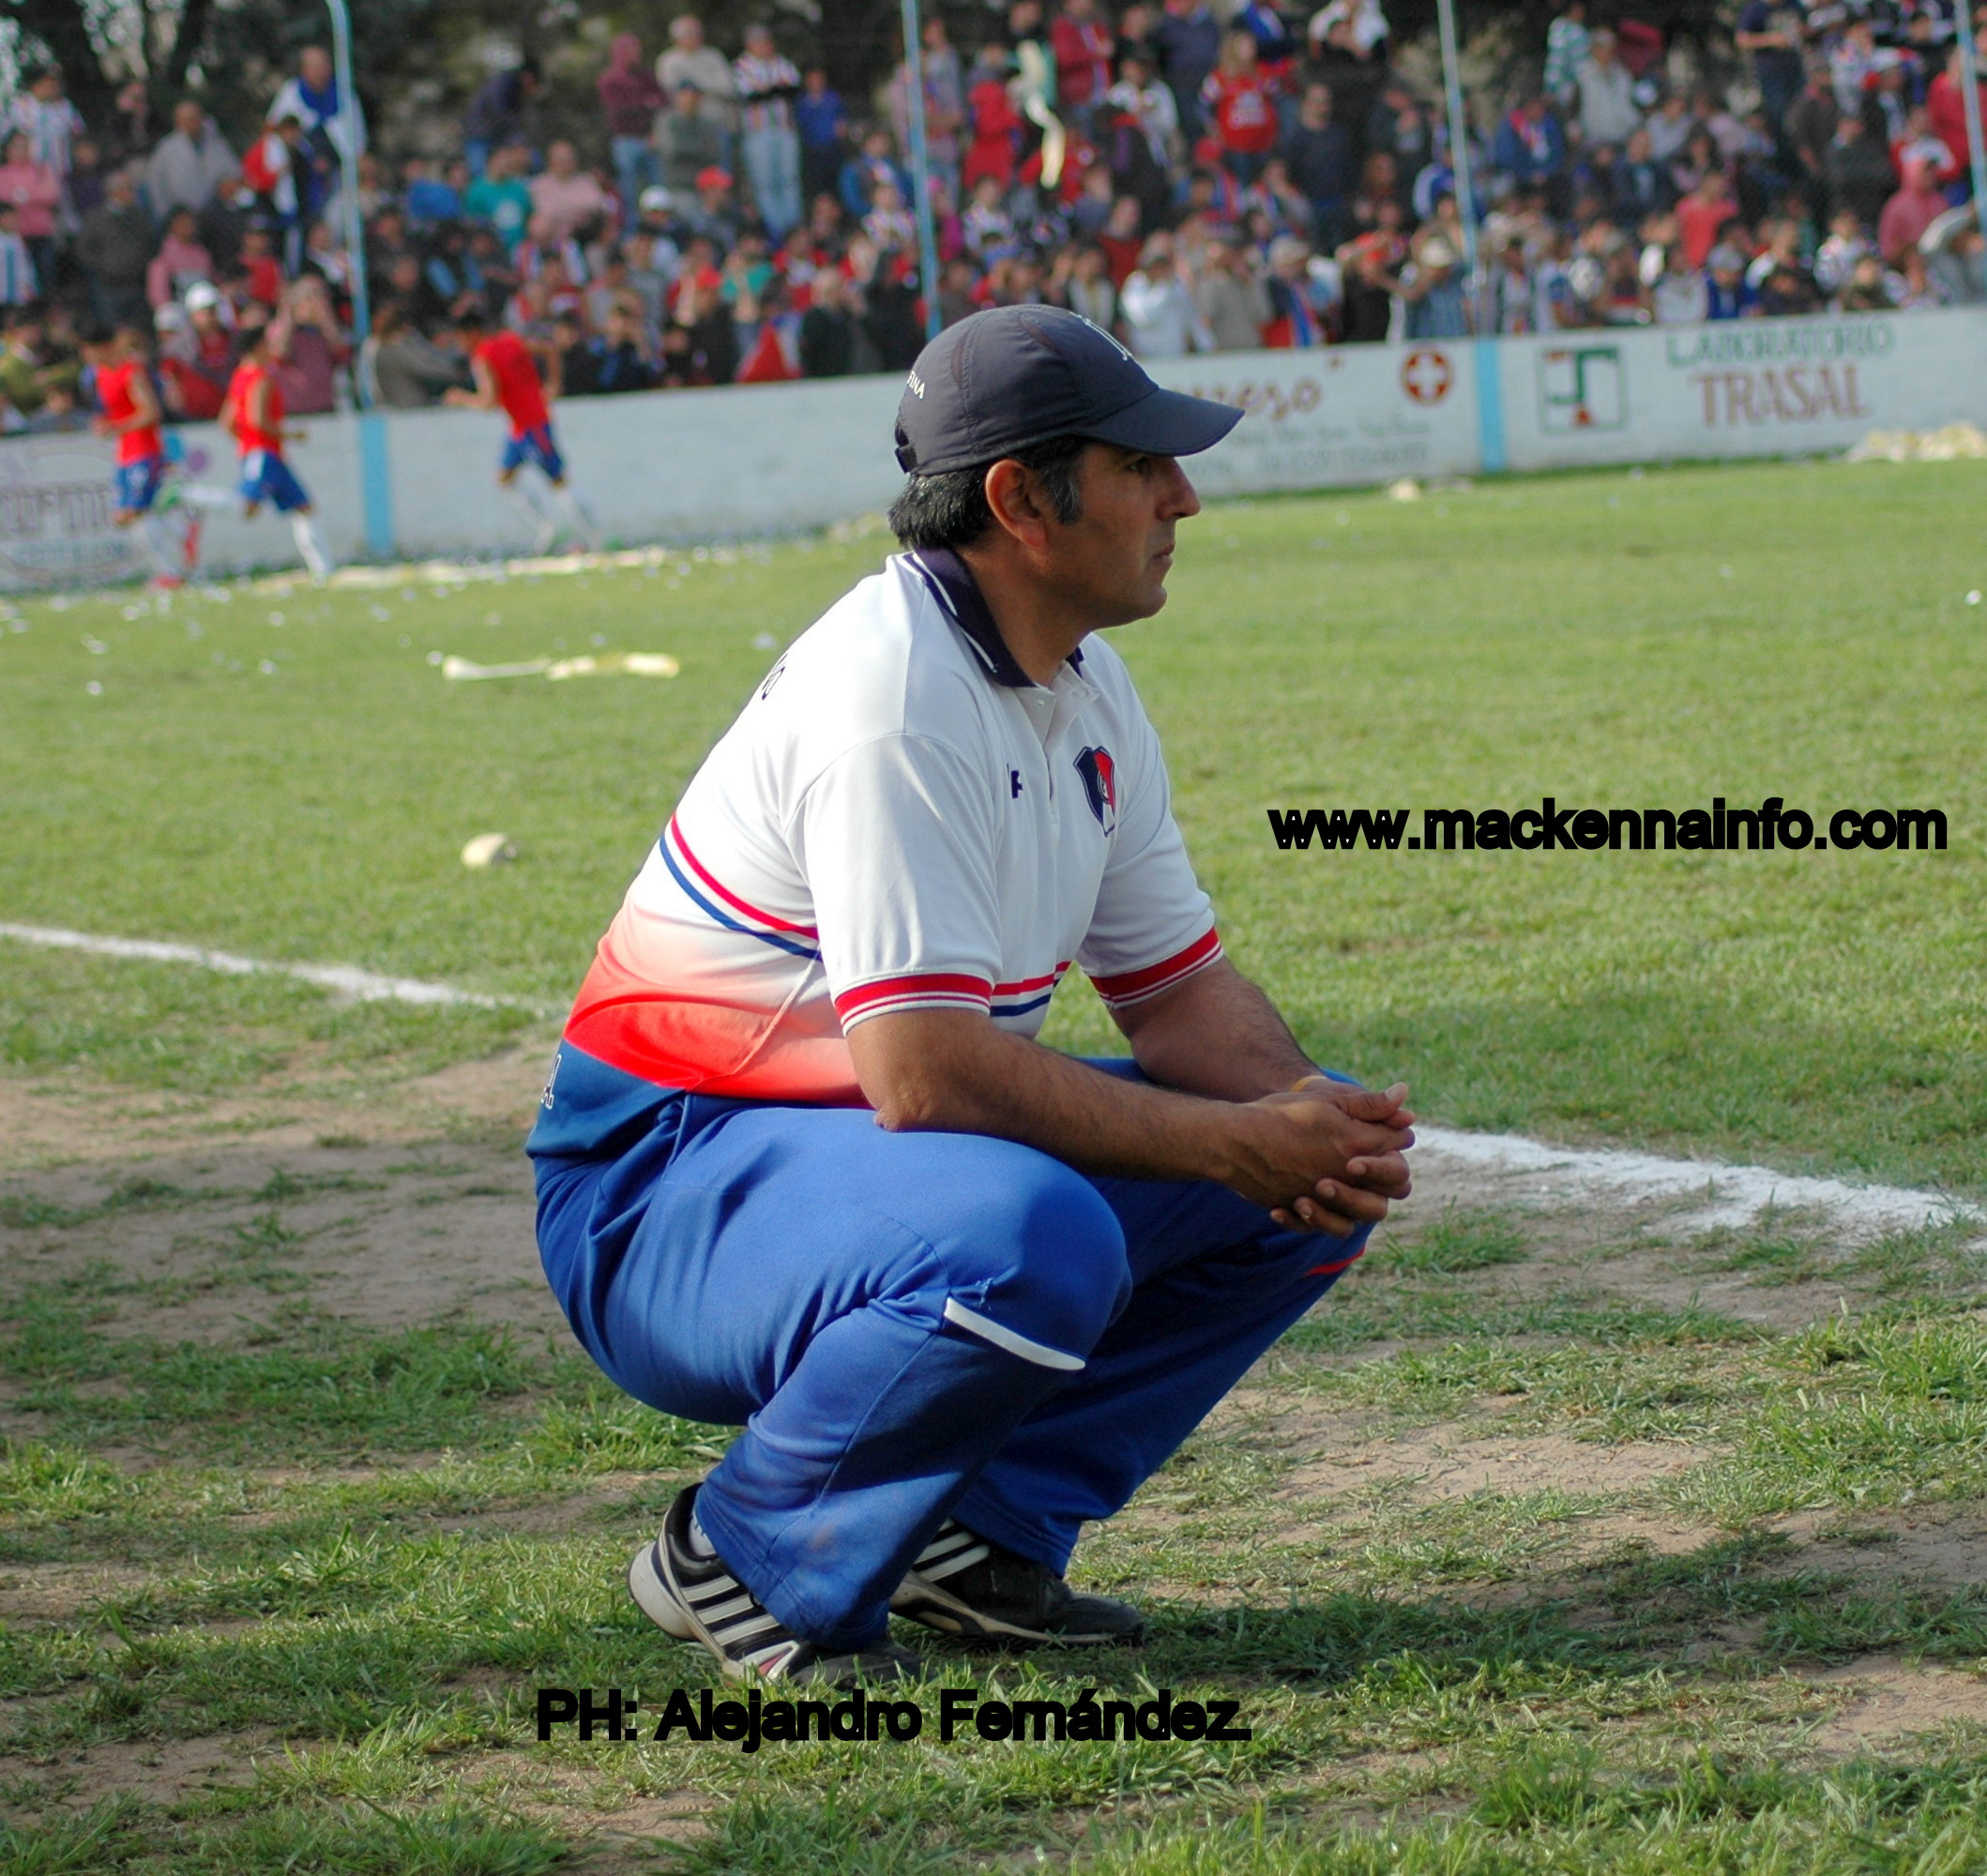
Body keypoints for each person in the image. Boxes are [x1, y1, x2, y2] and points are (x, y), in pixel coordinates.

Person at [528, 304, 1414, 1686]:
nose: (1182, 495)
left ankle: (977, 1535)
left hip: (824, 1163)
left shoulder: (1084, 682)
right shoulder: (892, 696)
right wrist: (1226, 1140)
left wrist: (1313, 1126)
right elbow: (923, 1076)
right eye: (1139, 466)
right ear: (1019, 501)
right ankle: (743, 1552)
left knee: (1285, 1189)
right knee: (1034, 1235)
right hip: (658, 1191)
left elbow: (1179, 1003)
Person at [446, 306, 600, 553]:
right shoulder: (511, 340)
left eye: (461, 337)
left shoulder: (483, 358)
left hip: (532, 425)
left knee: (559, 483)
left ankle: (594, 538)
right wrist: (553, 384)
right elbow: (549, 349)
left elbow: (488, 402)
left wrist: (460, 398)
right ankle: (547, 528)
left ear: (471, 333)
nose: (460, 344)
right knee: (504, 479)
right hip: (521, 427)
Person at [219, 318, 334, 581]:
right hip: (265, 453)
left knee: (304, 507)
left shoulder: (240, 376)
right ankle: (187, 496)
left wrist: (245, 443)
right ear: (258, 346)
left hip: (264, 454)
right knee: (246, 506)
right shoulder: (260, 377)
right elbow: (259, 420)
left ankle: (323, 571)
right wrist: (291, 434)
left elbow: (227, 422)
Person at [85, 321, 196, 586]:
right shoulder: (101, 374)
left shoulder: (131, 372)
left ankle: (168, 573)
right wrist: (103, 423)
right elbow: (112, 410)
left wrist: (115, 426)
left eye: (88, 350)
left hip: (144, 450)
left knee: (135, 512)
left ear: (103, 347)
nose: (85, 356)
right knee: (125, 517)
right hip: (125, 452)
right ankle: (182, 533)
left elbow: (150, 413)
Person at [734, 23, 803, 239]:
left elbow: (792, 89)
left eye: (766, 41)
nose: (765, 46)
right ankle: (775, 229)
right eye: (759, 42)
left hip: (784, 129)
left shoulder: (782, 63)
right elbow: (750, 96)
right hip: (758, 132)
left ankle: (793, 228)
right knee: (765, 184)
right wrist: (774, 90)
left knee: (789, 180)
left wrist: (769, 90)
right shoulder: (743, 66)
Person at [599, 34, 665, 216]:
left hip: (649, 139)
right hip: (625, 140)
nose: (636, 55)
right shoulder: (610, 80)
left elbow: (663, 99)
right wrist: (645, 104)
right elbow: (619, 111)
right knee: (629, 192)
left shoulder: (645, 76)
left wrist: (643, 105)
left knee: (656, 190)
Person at [146, 100, 237, 222]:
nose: (191, 123)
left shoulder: (217, 144)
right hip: (180, 217)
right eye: (186, 120)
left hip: (216, 216)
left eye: (194, 118)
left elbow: (233, 173)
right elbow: (156, 185)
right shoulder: (166, 149)